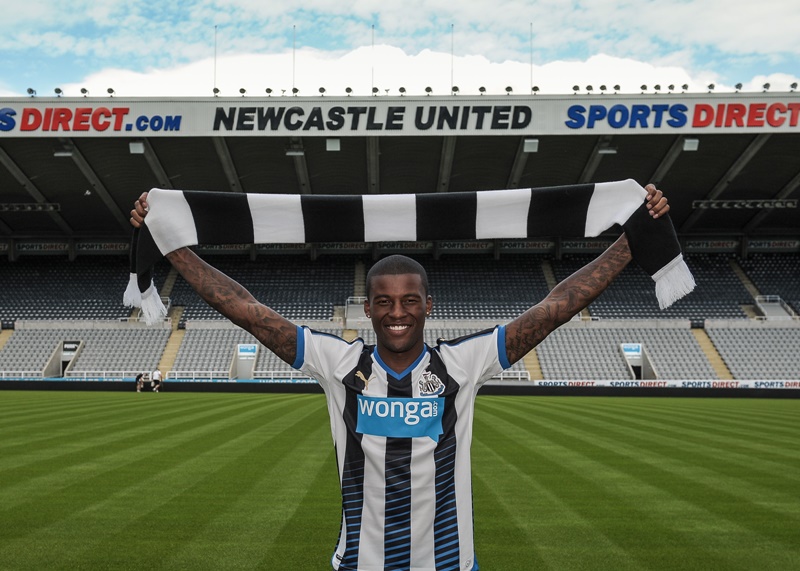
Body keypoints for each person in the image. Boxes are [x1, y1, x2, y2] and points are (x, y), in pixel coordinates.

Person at [130, 185, 669, 571]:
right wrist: (169, 241)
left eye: (410, 300)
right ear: (367, 309)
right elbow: (248, 310)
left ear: (428, 305)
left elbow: (555, 307)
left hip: (448, 563)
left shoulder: (463, 363)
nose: (397, 312)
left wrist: (633, 238)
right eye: (384, 302)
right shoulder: (339, 363)